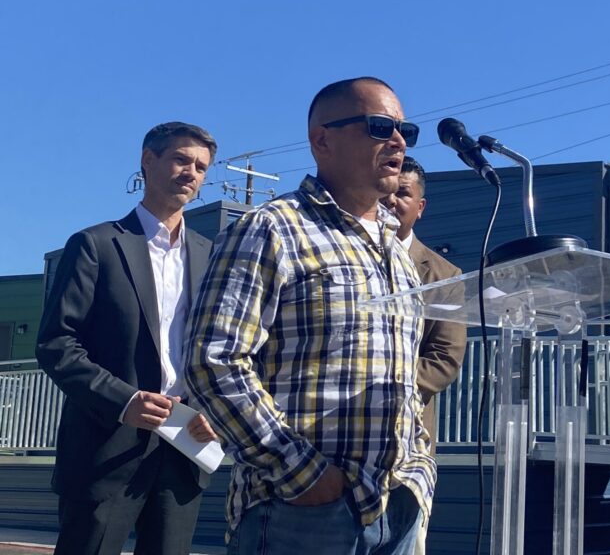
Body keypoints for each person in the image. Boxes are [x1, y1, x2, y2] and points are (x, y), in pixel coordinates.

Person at [184, 77, 432, 555]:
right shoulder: (272, 228)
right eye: (381, 127)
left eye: (406, 131)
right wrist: (304, 474)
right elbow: (213, 360)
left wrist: (418, 467)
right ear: (322, 140)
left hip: (399, 502)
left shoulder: (397, 252)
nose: (399, 142)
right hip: (303, 512)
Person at [36, 122, 220, 555]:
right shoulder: (96, 245)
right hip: (105, 448)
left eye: (200, 167)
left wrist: (218, 411)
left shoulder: (211, 256)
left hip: (185, 449)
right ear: (147, 160)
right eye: (180, 159)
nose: (191, 173)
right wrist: (124, 401)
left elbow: (221, 349)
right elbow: (57, 343)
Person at [386, 156, 466, 554]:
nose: (391, 200)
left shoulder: (443, 276)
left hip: (406, 450)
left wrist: (379, 384)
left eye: (402, 193)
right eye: (386, 190)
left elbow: (444, 358)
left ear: (420, 207)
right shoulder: (337, 254)